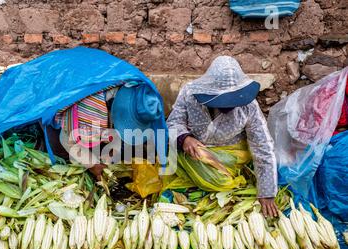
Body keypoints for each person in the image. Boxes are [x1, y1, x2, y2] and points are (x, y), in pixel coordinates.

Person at [167, 56, 279, 217]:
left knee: (222, 181)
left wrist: (267, 193)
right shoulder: (190, 93)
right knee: (165, 159)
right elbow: (173, 122)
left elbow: (263, 146)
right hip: (192, 152)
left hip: (230, 155)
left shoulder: (249, 106)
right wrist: (184, 138)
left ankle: (204, 179)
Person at [47, 83, 165, 180]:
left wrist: (110, 158)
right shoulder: (90, 109)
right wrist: (93, 164)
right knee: (63, 154)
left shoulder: (134, 88)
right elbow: (67, 139)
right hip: (63, 124)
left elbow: (118, 133)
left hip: (97, 124)